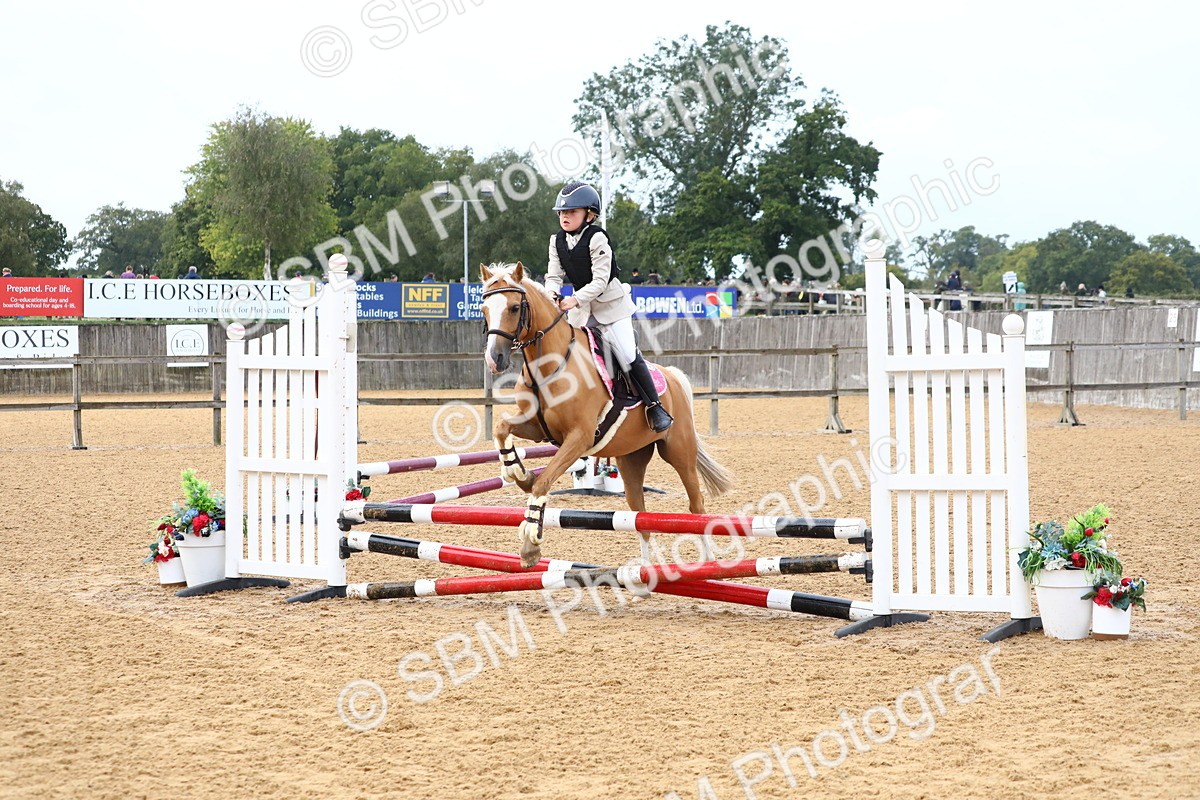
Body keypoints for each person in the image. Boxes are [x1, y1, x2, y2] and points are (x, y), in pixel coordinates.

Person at [544, 181, 672, 432]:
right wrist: (552, 294)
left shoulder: (597, 238)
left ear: (589, 215)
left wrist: (573, 299)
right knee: (568, 355)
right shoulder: (556, 241)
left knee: (626, 353)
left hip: (611, 308)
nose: (564, 217)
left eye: (571, 212)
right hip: (582, 313)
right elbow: (553, 275)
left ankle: (655, 406)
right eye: (562, 212)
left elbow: (600, 281)